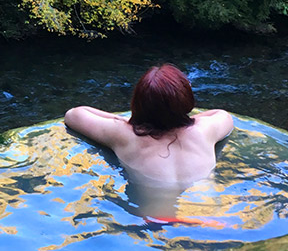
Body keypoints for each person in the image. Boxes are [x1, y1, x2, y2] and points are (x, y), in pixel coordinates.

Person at [64, 63, 234, 188]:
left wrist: (124, 121)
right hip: (207, 216)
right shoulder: (204, 130)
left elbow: (73, 115)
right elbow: (223, 115)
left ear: (138, 103)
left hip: (153, 221)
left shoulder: (124, 135)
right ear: (186, 101)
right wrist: (184, 117)